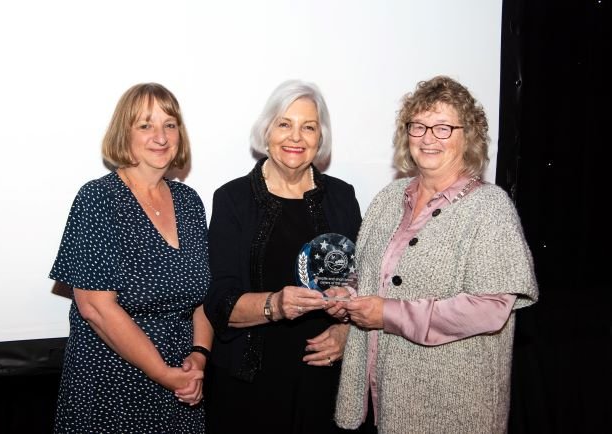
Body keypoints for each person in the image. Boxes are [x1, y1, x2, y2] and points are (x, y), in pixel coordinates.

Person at [334, 75, 539, 433]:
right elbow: (368, 276)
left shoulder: (490, 207)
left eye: (443, 127)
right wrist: (348, 296)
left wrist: (389, 314)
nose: (428, 138)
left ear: (468, 136)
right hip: (385, 399)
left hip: (453, 408)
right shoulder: (388, 199)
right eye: (419, 126)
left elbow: (490, 308)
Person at [49, 83, 212, 433]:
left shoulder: (189, 202)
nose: (161, 136)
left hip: (183, 384)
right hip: (111, 385)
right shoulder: (97, 198)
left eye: (170, 124)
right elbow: (95, 308)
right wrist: (161, 373)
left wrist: (199, 357)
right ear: (124, 132)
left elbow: (202, 298)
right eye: (145, 125)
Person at [202, 79, 362, 434]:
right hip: (251, 383)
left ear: (320, 138)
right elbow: (219, 301)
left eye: (308, 127)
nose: (296, 137)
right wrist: (274, 304)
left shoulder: (342, 197)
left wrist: (345, 331)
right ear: (267, 130)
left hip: (326, 380)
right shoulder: (232, 199)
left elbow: (364, 283)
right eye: (284, 124)